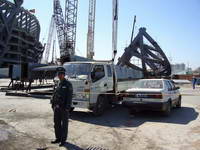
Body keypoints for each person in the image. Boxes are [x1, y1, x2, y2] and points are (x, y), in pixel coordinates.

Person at [50, 67, 73, 147]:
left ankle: (63, 140)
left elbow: (69, 97)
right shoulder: (58, 83)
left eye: (61, 74)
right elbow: (54, 94)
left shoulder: (68, 84)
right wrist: (52, 103)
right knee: (56, 123)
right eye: (58, 74)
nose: (59, 75)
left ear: (64, 75)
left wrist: (67, 108)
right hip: (57, 107)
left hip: (64, 108)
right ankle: (58, 138)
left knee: (64, 125)